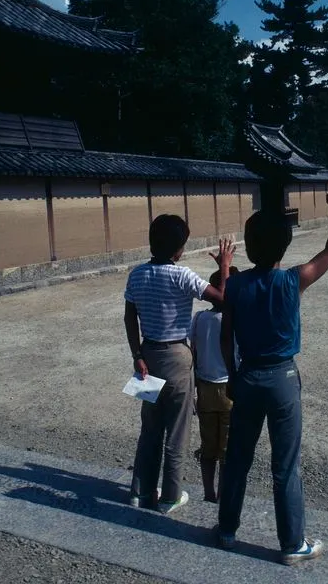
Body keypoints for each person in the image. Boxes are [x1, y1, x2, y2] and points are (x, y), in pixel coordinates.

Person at [217, 181, 328, 566]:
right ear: (284, 246)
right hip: (282, 380)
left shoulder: (236, 285)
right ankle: (292, 544)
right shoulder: (292, 281)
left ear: (250, 244)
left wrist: (232, 376)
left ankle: (226, 529)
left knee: (238, 459)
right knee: (284, 465)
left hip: (247, 376)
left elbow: (226, 337)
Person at [124, 215, 235, 514]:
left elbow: (129, 317)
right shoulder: (182, 275)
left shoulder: (136, 275)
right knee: (176, 429)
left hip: (147, 356)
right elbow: (224, 299)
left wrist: (137, 354)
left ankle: (140, 490)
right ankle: (170, 495)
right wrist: (224, 265)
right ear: (179, 250)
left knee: (150, 428)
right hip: (176, 356)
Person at [190, 266, 240, 503]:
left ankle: (209, 493)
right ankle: (223, 496)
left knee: (208, 446)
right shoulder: (237, 321)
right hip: (230, 389)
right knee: (228, 451)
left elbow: (194, 352)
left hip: (205, 388)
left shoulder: (200, 318)